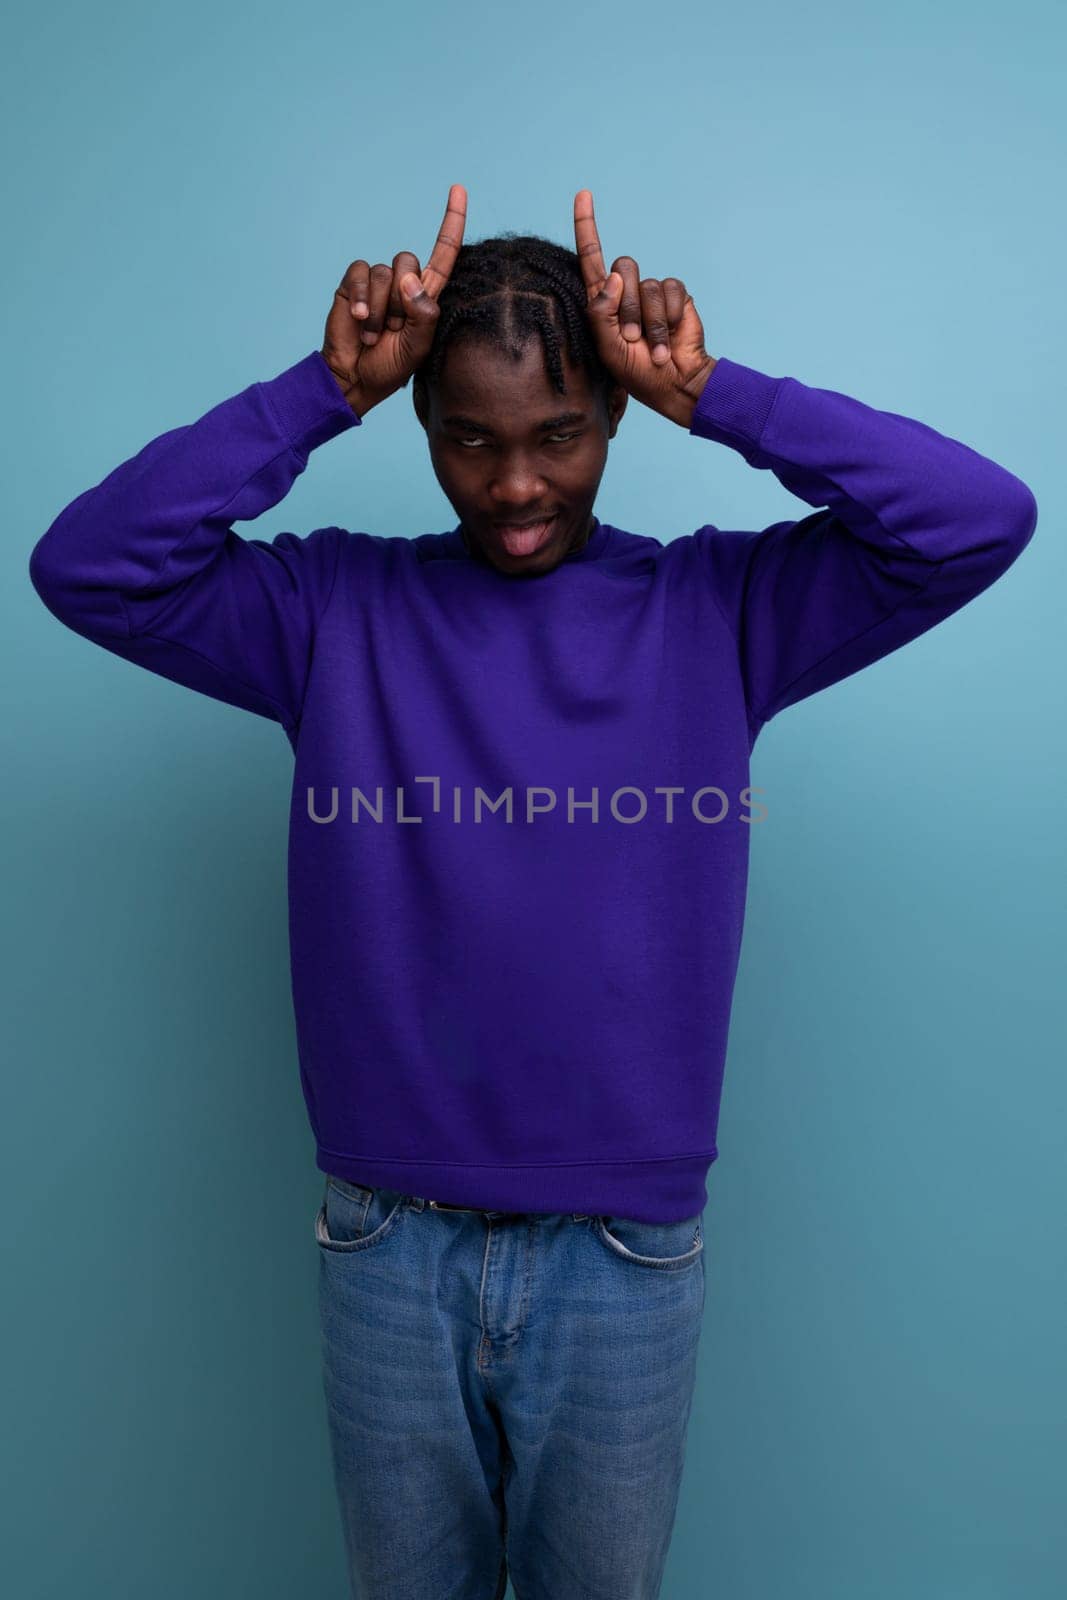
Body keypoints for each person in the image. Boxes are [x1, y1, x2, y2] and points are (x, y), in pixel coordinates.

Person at [27, 184, 1038, 1599]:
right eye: (472, 440)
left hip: (623, 1251)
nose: (515, 485)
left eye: (558, 435)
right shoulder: (330, 615)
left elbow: (976, 521)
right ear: (426, 429)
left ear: (616, 416)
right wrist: (320, 394)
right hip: (386, 1236)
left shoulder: (719, 614)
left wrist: (719, 393)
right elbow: (89, 568)